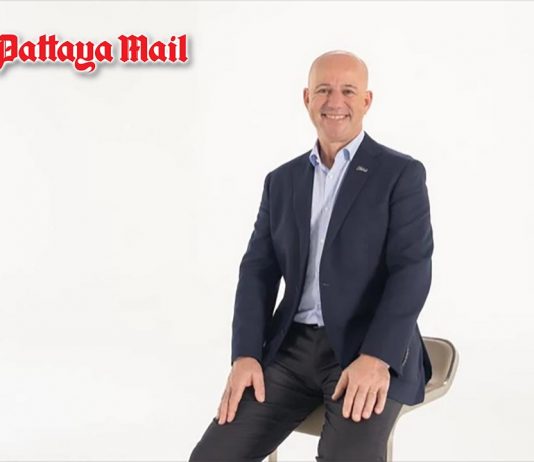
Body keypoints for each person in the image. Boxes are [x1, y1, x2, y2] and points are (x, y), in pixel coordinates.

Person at [189, 50, 433, 462]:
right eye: (323, 90)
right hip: (291, 350)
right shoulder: (281, 181)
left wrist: (377, 357)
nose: (335, 101)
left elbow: (412, 269)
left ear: (366, 101)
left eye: (348, 91)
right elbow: (258, 271)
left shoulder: (400, 174)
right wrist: (246, 354)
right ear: (307, 98)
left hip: (365, 346)